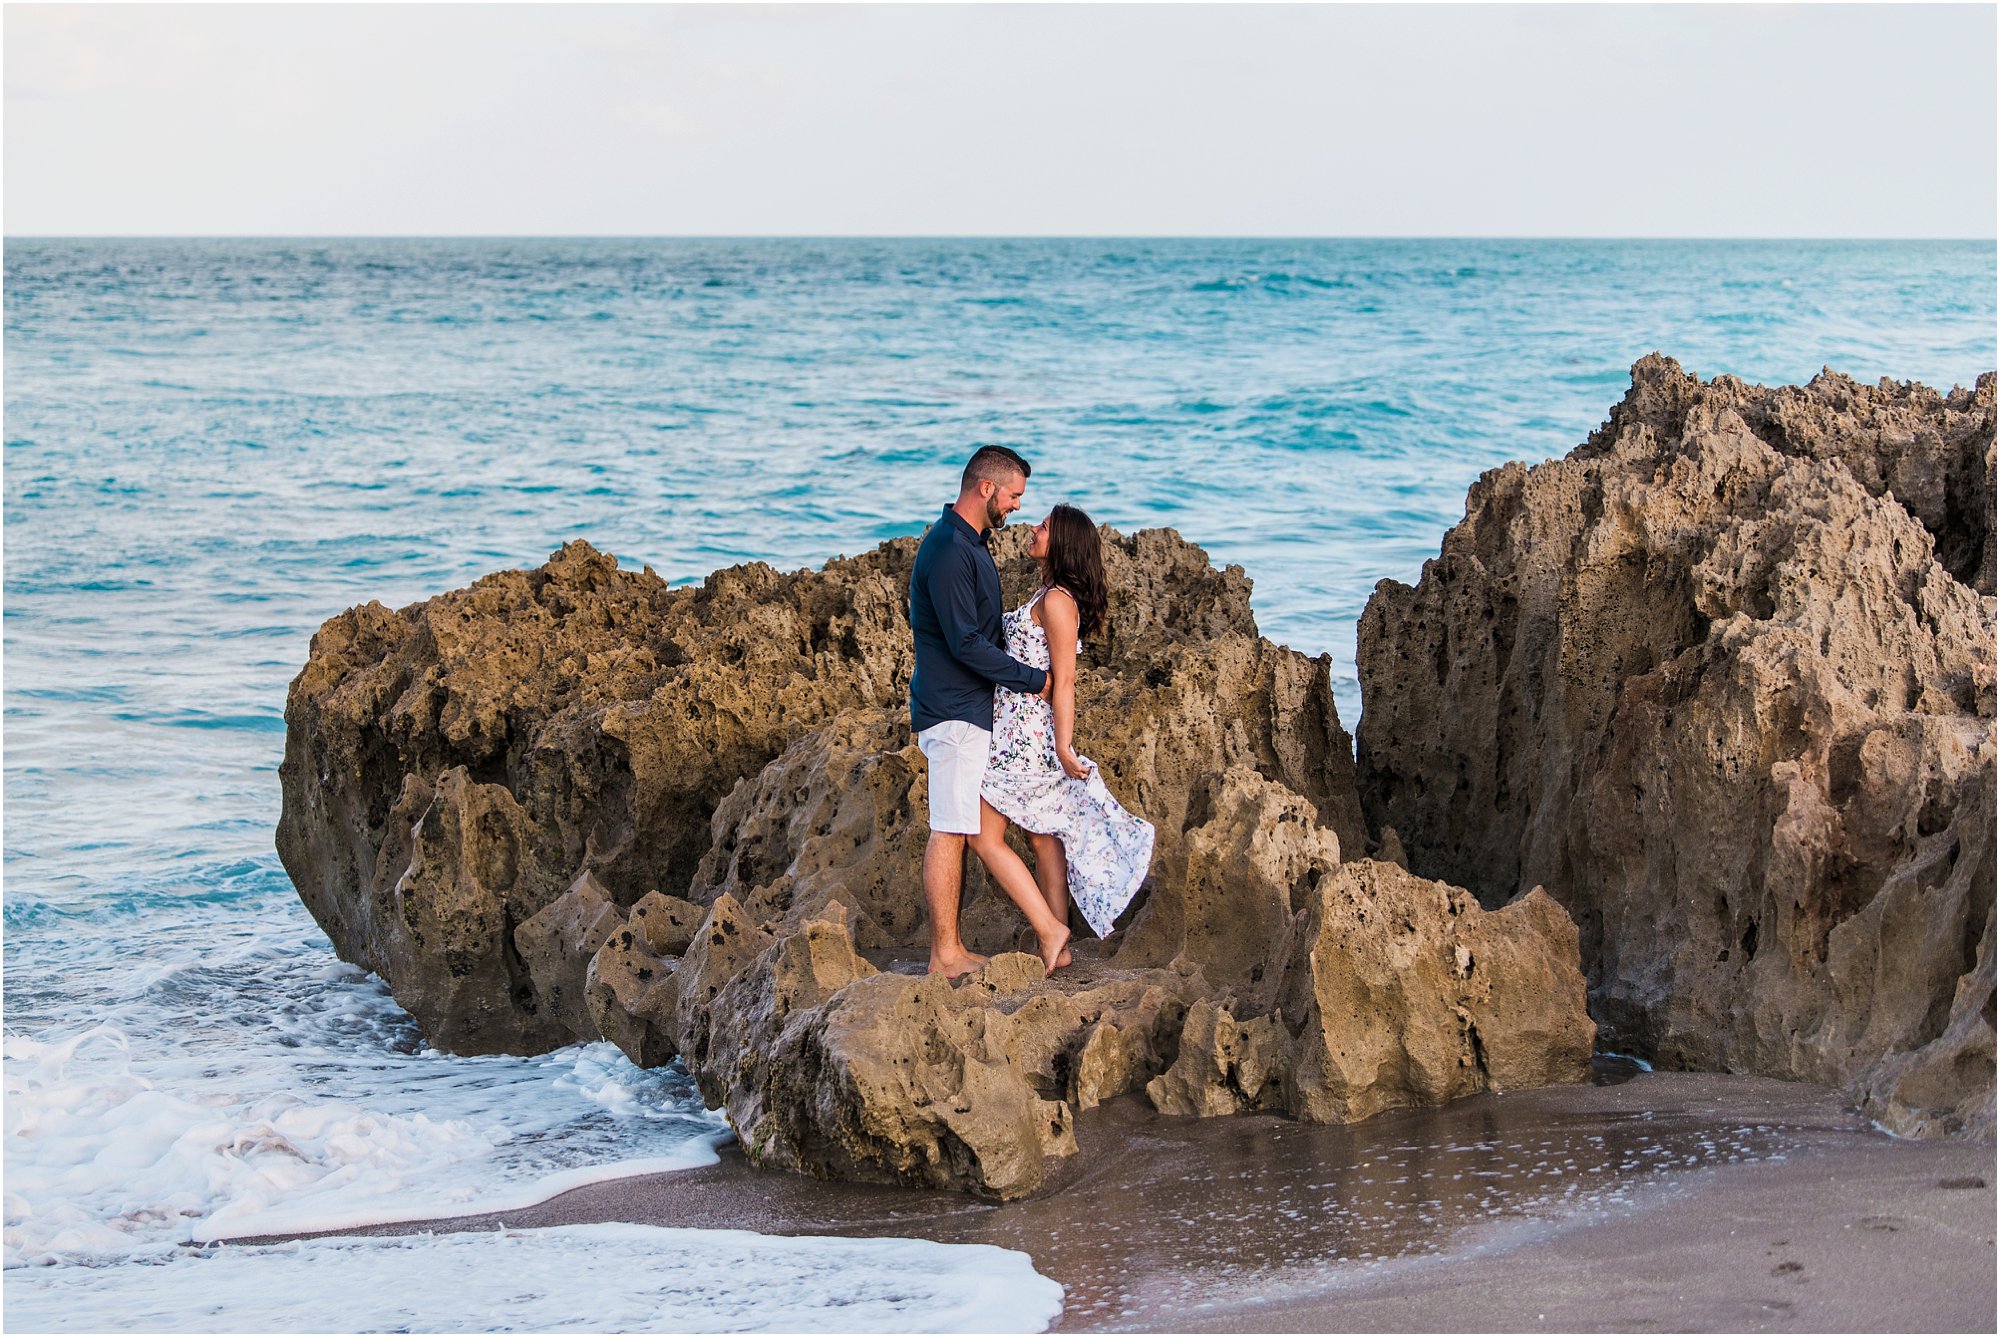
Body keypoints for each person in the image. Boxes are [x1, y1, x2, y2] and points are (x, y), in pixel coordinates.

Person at [909, 446, 1074, 978]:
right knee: (951, 830)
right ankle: (946, 953)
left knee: (971, 826)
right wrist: (1036, 681)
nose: (1018, 507)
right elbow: (965, 644)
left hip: (971, 711)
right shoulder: (953, 550)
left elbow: (987, 633)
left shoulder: (968, 545)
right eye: (1015, 496)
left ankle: (1042, 934)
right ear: (987, 489)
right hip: (955, 713)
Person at [979, 504, 1154, 963]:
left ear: (1063, 544)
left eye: (1044, 527)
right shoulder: (1048, 594)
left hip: (1026, 740)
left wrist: (1062, 744)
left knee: (982, 834)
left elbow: (1066, 679)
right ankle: (1055, 948)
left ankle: (1051, 931)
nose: (1033, 530)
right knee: (1044, 837)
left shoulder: (1057, 602)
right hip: (1017, 730)